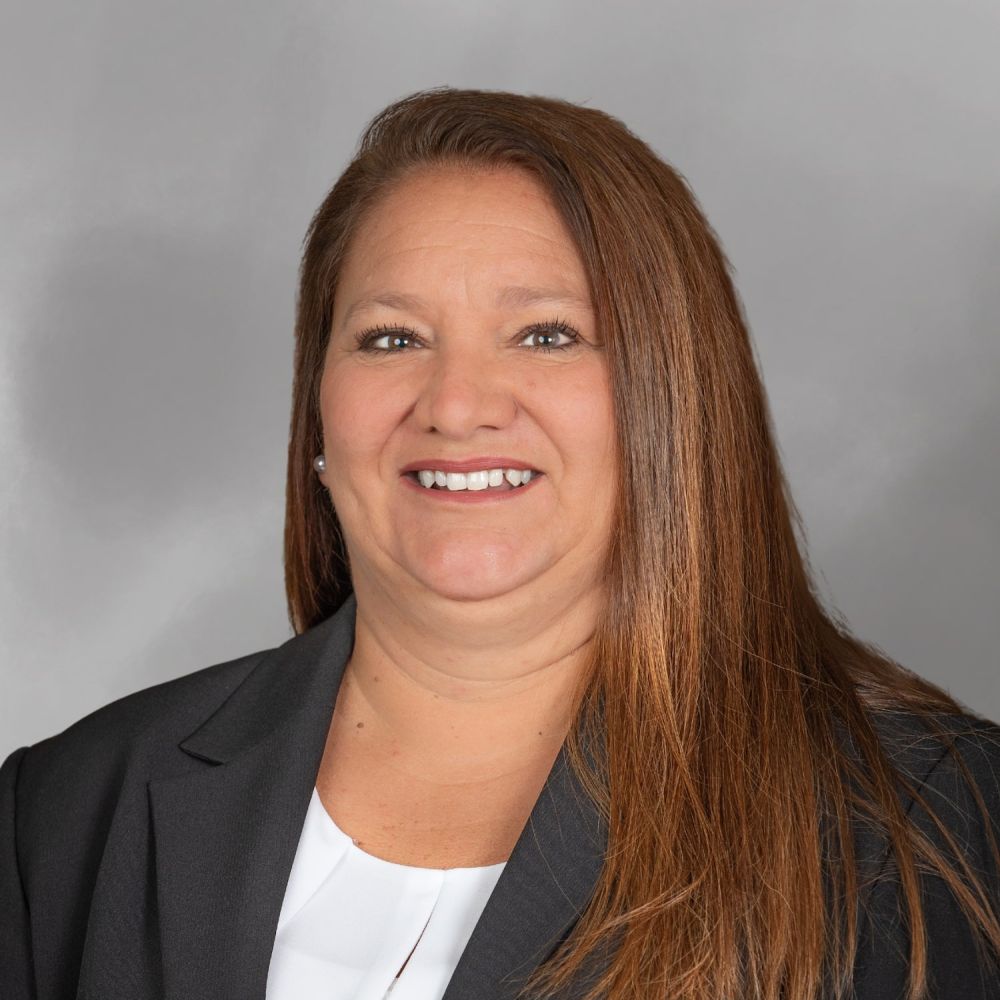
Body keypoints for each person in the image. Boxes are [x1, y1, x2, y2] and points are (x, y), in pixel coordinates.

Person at [1, 86, 998, 1000]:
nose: (457, 405)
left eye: (546, 334)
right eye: (391, 338)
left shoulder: (924, 824)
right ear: (317, 416)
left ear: (671, 398)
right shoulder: (65, 810)